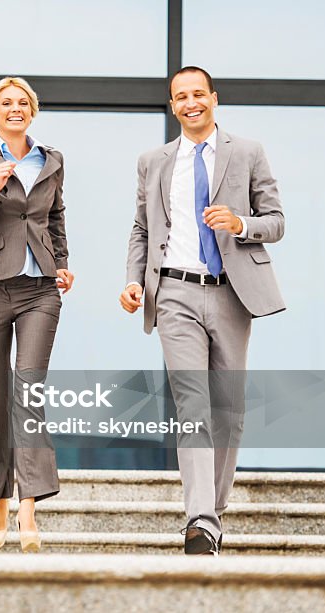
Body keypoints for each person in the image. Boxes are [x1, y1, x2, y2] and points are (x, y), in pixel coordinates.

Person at [120, 66, 285, 555]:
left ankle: (213, 513)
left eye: (198, 94)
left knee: (228, 410)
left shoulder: (248, 152)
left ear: (213, 99)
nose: (190, 102)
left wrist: (239, 222)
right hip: (174, 292)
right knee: (192, 404)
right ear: (173, 106)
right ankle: (199, 519)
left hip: (233, 293)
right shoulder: (153, 161)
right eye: (180, 97)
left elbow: (276, 222)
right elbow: (141, 231)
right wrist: (133, 281)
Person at [0, 77, 75, 553]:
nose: (15, 109)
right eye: (6, 103)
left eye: (22, 102)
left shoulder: (52, 160)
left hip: (40, 292)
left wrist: (62, 265)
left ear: (32, 110)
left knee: (29, 391)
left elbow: (56, 216)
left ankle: (28, 506)